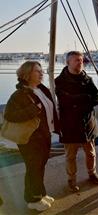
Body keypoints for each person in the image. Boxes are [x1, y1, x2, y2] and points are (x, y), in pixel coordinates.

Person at [3, 61, 59, 211]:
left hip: (44, 135)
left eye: (41, 71)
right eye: (37, 71)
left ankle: (40, 193)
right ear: (27, 74)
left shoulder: (41, 89)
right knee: (33, 168)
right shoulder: (19, 94)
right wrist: (32, 110)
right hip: (30, 139)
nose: (41, 74)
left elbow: (50, 110)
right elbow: (9, 115)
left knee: (40, 166)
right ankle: (32, 200)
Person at [55, 51, 98, 192]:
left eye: (81, 60)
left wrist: (77, 100)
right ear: (68, 62)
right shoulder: (59, 81)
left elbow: (97, 98)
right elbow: (64, 101)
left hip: (87, 123)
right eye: (76, 60)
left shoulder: (87, 79)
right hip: (69, 125)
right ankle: (71, 179)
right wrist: (84, 98)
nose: (80, 62)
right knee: (71, 156)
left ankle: (92, 174)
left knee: (91, 153)